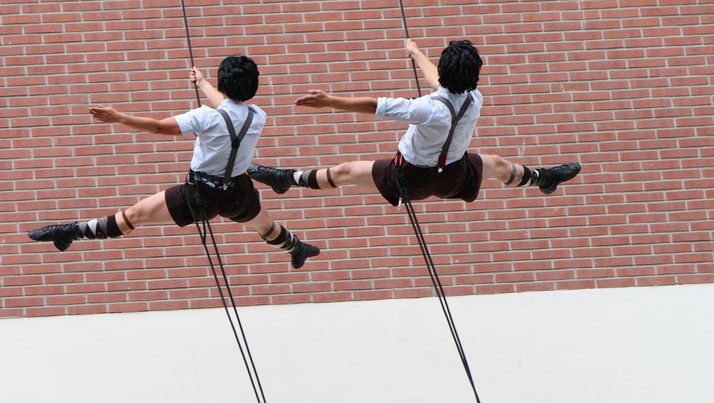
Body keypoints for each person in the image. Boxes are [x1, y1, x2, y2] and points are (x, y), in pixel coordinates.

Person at [28, 55, 320, 269]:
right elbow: (229, 107)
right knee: (265, 225)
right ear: (252, 87)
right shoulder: (257, 116)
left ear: (224, 83)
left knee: (131, 217)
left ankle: (69, 233)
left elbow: (158, 127)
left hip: (199, 195)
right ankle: (296, 248)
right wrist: (203, 82)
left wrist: (119, 117)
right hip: (237, 192)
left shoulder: (204, 116)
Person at [248, 39, 581, 206]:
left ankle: (286, 179)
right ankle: (543, 179)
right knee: (496, 164)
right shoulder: (474, 98)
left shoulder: (427, 109)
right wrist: (416, 52)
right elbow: (440, 82)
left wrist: (331, 101)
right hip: (455, 175)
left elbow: (376, 105)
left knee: (344, 172)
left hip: (410, 177)